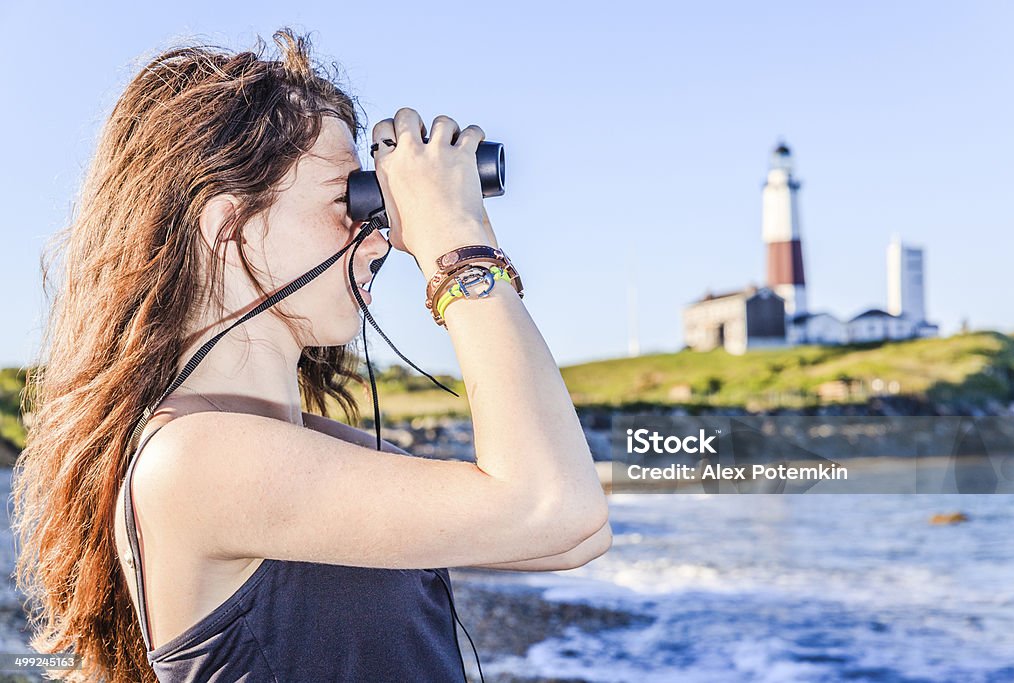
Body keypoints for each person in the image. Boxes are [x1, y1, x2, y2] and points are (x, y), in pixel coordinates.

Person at [11, 28, 611, 682]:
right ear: (227, 228)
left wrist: (458, 230)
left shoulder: (291, 448)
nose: (380, 241)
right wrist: (457, 243)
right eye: (347, 200)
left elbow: (577, 533)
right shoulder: (189, 460)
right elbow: (555, 506)